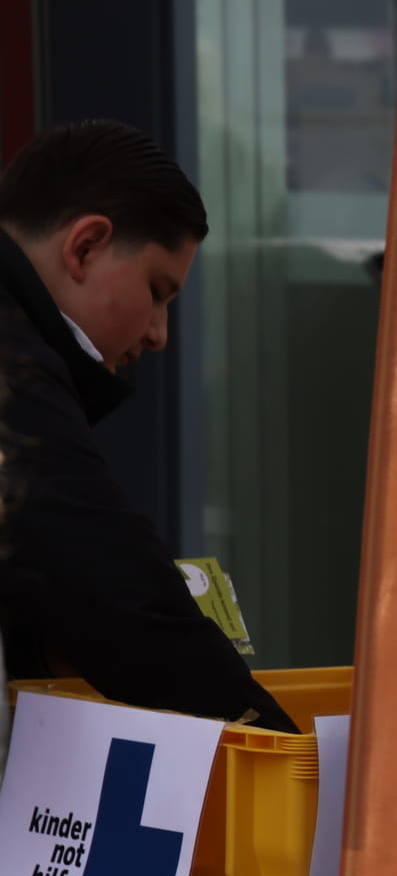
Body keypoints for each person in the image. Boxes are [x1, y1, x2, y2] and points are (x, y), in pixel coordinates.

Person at [0, 120, 293, 732]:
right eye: (157, 291)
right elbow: (101, 580)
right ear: (85, 246)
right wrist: (273, 743)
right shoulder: (13, 367)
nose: (158, 333)